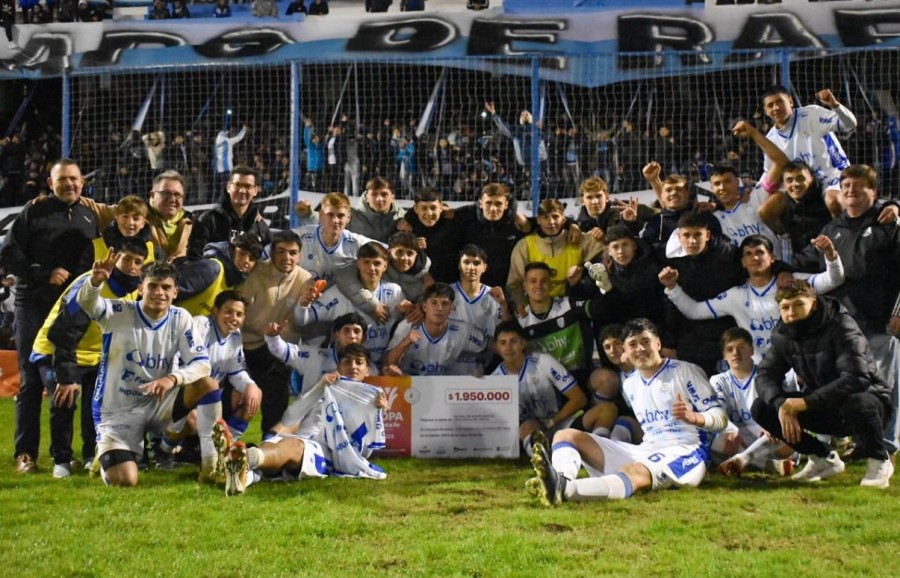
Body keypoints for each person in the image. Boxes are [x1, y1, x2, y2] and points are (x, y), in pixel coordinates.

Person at [528, 318, 727, 506]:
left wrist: (696, 418)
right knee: (566, 435)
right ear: (625, 350)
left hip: (686, 450)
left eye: (646, 342)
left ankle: (565, 490)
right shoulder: (630, 383)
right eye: (633, 344)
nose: (640, 349)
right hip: (647, 449)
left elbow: (720, 417)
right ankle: (559, 479)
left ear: (658, 344)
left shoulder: (684, 371)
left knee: (635, 472)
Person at [77, 259, 215, 486]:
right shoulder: (118, 312)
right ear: (141, 288)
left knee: (207, 384)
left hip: (158, 403)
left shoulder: (181, 318)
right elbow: (87, 303)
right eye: (153, 286)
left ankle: (210, 464)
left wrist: (172, 378)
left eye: (166, 288)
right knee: (125, 481)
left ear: (175, 292)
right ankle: (107, 456)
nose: (159, 293)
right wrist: (94, 282)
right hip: (118, 411)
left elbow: (201, 364)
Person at [0, 158, 99, 474]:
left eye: (74, 179)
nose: (69, 184)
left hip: (72, 308)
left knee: (79, 375)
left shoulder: (90, 214)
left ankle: (82, 452)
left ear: (82, 182)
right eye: (63, 180)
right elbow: (8, 252)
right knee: (31, 379)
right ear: (50, 182)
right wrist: (42, 273)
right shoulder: (35, 211)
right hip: (35, 303)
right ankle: (25, 453)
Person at [793, 164, 900, 456]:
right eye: (846, 186)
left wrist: (899, 310)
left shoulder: (888, 224)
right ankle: (850, 440)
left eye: (858, 186)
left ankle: (886, 444)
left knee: (884, 386)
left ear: (873, 192)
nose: (851, 191)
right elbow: (806, 262)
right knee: (841, 384)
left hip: (879, 322)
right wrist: (780, 269)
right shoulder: (833, 228)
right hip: (841, 324)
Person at [752, 280, 894, 488]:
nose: (791, 313)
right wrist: (781, 403)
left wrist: (805, 403)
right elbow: (764, 374)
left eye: (799, 304)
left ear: (814, 304)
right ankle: (822, 458)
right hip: (823, 405)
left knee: (860, 401)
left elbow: (857, 378)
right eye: (785, 307)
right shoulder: (783, 335)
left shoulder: (841, 325)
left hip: (869, 404)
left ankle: (879, 461)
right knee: (762, 407)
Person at [29, 239, 147, 478]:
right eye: (127, 259)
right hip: (55, 350)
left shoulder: (133, 291)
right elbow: (63, 331)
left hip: (94, 356)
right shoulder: (91, 283)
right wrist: (67, 377)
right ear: (115, 259)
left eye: (138, 262)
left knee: (97, 405)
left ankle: (89, 455)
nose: (132, 266)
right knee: (65, 398)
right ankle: (61, 460)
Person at [219, 344, 386, 496]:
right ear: (338, 367)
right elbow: (290, 418)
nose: (353, 366)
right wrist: (319, 388)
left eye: (359, 362)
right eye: (347, 362)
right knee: (273, 445)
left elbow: (364, 451)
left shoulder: (373, 400)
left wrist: (377, 412)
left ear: (367, 370)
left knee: (292, 447)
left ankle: (238, 459)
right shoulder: (325, 388)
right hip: (299, 439)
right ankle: (245, 475)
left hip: (324, 451)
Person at [660, 234, 844, 361]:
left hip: (800, 363)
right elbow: (695, 311)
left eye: (760, 252)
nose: (754, 258)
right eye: (748, 254)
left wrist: (830, 255)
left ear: (772, 257)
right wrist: (672, 288)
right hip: (760, 369)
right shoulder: (735, 295)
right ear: (742, 262)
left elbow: (833, 279)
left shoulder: (792, 283)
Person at [155, 290, 261, 475]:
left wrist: (251, 386)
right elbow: (175, 355)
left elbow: (236, 372)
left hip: (208, 399)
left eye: (239, 314)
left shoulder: (235, 336)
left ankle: (221, 450)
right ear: (215, 311)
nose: (233, 318)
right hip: (181, 395)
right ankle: (163, 450)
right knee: (195, 415)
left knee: (249, 396)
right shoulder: (199, 325)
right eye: (228, 311)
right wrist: (172, 382)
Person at [240, 230, 313, 435]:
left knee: (276, 399)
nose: (286, 257)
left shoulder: (305, 280)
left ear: (300, 256)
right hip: (246, 344)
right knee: (236, 399)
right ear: (271, 252)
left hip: (278, 348)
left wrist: (280, 335)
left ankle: (269, 446)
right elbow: (239, 309)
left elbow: (300, 323)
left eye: (292, 253)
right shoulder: (255, 272)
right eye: (281, 251)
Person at [295, 242, 409, 365]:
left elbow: (407, 322)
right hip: (347, 366)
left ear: (385, 266)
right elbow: (302, 320)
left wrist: (411, 310)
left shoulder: (394, 291)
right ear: (358, 263)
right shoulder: (337, 294)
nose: (371, 268)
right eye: (366, 262)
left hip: (380, 366)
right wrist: (303, 304)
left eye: (376, 263)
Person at [492, 321, 586, 457]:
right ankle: (542, 460)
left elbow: (579, 398)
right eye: (503, 343)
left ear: (523, 344)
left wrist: (552, 422)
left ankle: (603, 452)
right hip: (530, 430)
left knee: (606, 411)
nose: (508, 347)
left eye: (513, 341)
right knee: (529, 427)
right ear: (496, 347)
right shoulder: (494, 379)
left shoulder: (543, 361)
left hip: (561, 422)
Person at [760, 85, 857, 216]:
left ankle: (843, 234)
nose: (776, 108)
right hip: (799, 183)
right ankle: (786, 237)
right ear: (766, 111)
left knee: (834, 202)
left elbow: (850, 124)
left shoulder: (811, 114)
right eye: (770, 105)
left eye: (780, 102)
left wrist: (835, 105)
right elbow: (769, 174)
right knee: (766, 211)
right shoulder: (770, 139)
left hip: (830, 176)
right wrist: (752, 190)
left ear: (790, 101)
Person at [710, 328, 796, 477]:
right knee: (714, 441)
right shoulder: (718, 380)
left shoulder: (766, 374)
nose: (735, 353)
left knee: (781, 430)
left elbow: (785, 406)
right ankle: (769, 465)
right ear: (724, 355)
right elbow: (718, 412)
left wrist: (772, 422)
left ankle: (742, 459)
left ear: (751, 350)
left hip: (769, 437)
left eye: (741, 347)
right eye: (730, 349)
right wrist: (729, 429)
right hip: (739, 435)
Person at [507, 199, 604, 309]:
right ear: (538, 220)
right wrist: (521, 305)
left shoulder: (578, 239)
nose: (551, 222)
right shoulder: (524, 246)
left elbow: (605, 257)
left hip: (573, 307)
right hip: (537, 309)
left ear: (563, 219)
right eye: (546, 217)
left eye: (555, 217)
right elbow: (514, 284)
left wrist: (603, 240)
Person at [383, 283, 487, 376]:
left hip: (442, 388)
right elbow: (387, 363)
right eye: (434, 302)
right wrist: (405, 342)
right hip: (409, 385)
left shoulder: (462, 329)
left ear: (452, 308)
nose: (439, 308)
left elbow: (487, 346)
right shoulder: (408, 325)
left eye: (445, 303)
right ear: (424, 307)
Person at [267, 312, 369, 398]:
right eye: (346, 330)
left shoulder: (368, 369)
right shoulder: (314, 355)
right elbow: (281, 351)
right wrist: (272, 337)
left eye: (356, 331)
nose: (351, 336)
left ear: (363, 337)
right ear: (337, 335)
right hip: (309, 417)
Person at [188, 165, 271, 261]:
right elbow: (195, 257)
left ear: (255, 191)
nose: (242, 190)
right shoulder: (208, 220)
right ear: (228, 187)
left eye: (248, 186)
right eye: (237, 185)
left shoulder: (259, 225)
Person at [293, 192, 380, 283]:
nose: (335, 220)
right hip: (302, 293)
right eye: (330, 215)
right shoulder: (300, 236)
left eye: (340, 216)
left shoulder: (357, 242)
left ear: (348, 217)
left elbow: (387, 251)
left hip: (339, 295)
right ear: (321, 215)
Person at [175, 232, 263, 316]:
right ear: (232, 250)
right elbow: (173, 294)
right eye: (242, 253)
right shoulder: (211, 268)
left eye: (251, 259)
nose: (245, 261)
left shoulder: (236, 283)